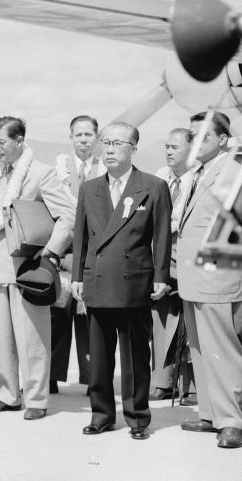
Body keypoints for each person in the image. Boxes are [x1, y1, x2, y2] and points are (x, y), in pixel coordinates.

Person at [71, 122, 171, 440]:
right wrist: (76, 277)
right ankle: (101, 414)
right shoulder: (89, 188)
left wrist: (160, 277)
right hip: (98, 282)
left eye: (117, 143)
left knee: (135, 356)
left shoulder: (153, 186)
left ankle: (138, 417)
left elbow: (162, 237)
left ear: (133, 149)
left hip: (134, 284)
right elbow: (81, 237)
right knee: (98, 357)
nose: (110, 149)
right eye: (106, 142)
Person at [0, 116, 74, 420]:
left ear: (19, 141)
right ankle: (7, 395)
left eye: (1, 142)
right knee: (2, 339)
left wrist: (50, 253)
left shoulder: (41, 173)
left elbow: (68, 216)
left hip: (28, 269)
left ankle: (36, 399)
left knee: (32, 337)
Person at [174, 111, 242, 448]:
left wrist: (215, 277)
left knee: (221, 349)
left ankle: (231, 421)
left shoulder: (233, 170)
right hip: (194, 276)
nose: (195, 141)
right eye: (192, 134)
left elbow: (230, 230)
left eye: (204, 135)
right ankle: (210, 414)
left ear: (224, 140)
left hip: (215, 276)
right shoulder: (199, 173)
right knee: (200, 348)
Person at [51, 115, 104, 393]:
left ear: (97, 138)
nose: (83, 139)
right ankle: (50, 376)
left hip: (94, 256)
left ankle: (92, 379)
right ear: (71, 137)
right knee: (57, 315)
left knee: (89, 319)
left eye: (88, 135)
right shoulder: (59, 169)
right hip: (66, 254)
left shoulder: (106, 168)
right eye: (78, 135)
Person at [152, 127, 195, 402]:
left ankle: (191, 386)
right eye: (166, 146)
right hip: (161, 254)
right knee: (160, 318)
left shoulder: (199, 179)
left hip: (189, 255)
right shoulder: (159, 178)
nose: (168, 151)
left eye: (174, 147)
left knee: (190, 323)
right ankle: (163, 381)